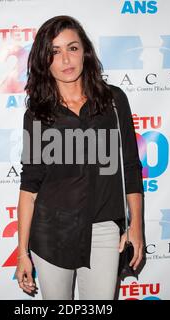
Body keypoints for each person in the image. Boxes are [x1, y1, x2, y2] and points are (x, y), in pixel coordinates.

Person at [15, 15, 144, 300]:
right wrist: (22, 253)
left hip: (103, 230)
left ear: (84, 52)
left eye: (72, 48)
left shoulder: (113, 101)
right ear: (43, 61)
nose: (65, 59)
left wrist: (137, 228)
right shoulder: (38, 115)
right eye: (54, 52)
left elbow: (131, 168)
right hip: (52, 231)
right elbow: (30, 185)